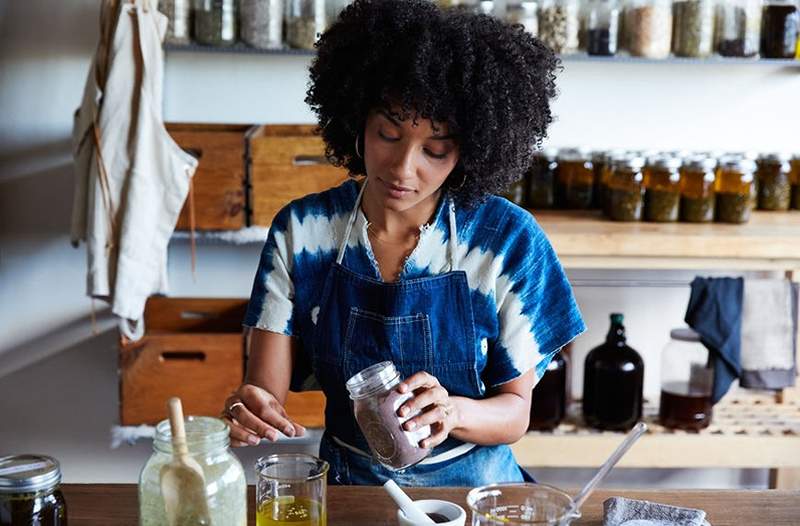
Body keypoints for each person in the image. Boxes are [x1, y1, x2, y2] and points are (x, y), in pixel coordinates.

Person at [222, 0, 584, 486]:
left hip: (474, 493)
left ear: (472, 150)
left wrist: (453, 413)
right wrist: (248, 407)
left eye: (435, 149)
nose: (402, 167)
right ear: (356, 122)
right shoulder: (303, 232)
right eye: (387, 134)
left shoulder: (507, 243)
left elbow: (515, 413)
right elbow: (264, 390)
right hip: (352, 490)